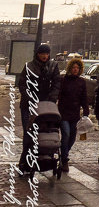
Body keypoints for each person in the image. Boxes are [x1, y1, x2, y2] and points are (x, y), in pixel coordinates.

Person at [15, 43, 61, 176]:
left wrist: (52, 98)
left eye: (46, 54)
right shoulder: (29, 66)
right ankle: (25, 162)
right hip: (29, 105)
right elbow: (22, 84)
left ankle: (43, 158)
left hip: (46, 105)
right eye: (42, 54)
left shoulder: (53, 66)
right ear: (38, 54)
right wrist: (30, 97)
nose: (44, 56)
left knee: (45, 132)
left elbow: (57, 83)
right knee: (28, 134)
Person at [57, 57, 89, 172]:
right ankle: (64, 160)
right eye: (74, 67)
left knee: (72, 137)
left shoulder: (81, 82)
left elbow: (84, 98)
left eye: (77, 68)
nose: (75, 70)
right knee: (65, 134)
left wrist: (86, 111)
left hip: (75, 114)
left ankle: (63, 152)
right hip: (63, 113)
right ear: (70, 68)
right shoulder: (63, 80)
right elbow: (58, 95)